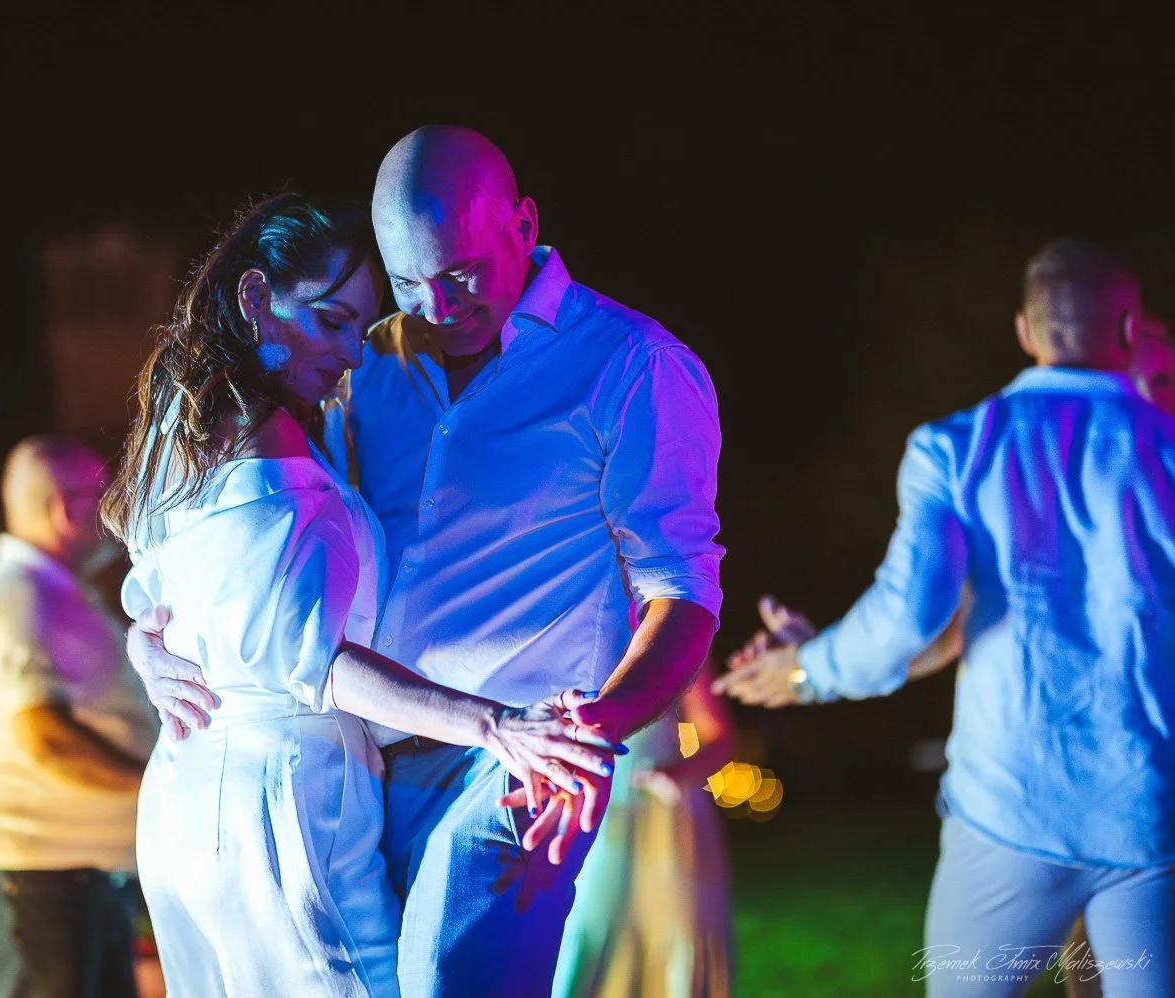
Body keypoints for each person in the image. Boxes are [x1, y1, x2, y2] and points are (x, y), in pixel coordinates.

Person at [127, 127, 724, 998]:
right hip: (368, 759)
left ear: (523, 224)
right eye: (409, 283)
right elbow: (241, 551)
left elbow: (685, 596)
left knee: (448, 978)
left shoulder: (632, 366)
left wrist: (587, 737)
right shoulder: (370, 364)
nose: (437, 308)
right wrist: (148, 640)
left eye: (461, 275)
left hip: (522, 749)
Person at [714, 239, 1175, 998]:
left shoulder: (956, 448)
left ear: (1024, 330)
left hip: (1006, 815)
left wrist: (808, 668)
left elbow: (910, 614)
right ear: (1129, 332)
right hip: (1148, 823)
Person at [0, 435, 158, 998]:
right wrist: (160, 787)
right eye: (105, 492)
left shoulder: (51, 592)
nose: (118, 505)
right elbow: (48, 740)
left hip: (64, 878)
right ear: (64, 507)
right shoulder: (26, 598)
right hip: (32, 877)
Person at [553, 661, 735, 998]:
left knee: (674, 924)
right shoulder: (571, 636)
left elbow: (719, 738)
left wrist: (678, 774)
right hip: (592, 812)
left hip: (663, 812)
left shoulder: (674, 632)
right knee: (592, 924)